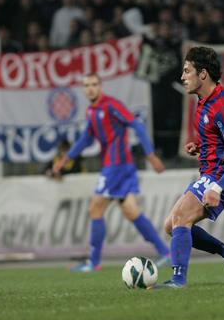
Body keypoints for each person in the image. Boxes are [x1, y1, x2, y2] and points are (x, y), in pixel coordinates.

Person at [151, 46, 224, 289]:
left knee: (180, 218)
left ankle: (178, 280)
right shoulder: (205, 101)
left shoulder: (223, 106)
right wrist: (201, 147)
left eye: (187, 71)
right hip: (211, 172)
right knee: (171, 225)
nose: (182, 77)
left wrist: (216, 187)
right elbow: (218, 141)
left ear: (203, 74)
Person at [53, 73, 170, 272]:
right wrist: (65, 159)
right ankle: (166, 252)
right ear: (84, 89)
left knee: (95, 209)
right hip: (120, 167)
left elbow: (137, 124)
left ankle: (94, 262)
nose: (90, 88)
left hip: (116, 167)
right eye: (87, 85)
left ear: (100, 86)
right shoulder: (92, 111)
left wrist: (150, 155)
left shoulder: (111, 105)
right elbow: (85, 139)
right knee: (131, 211)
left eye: (94, 84)